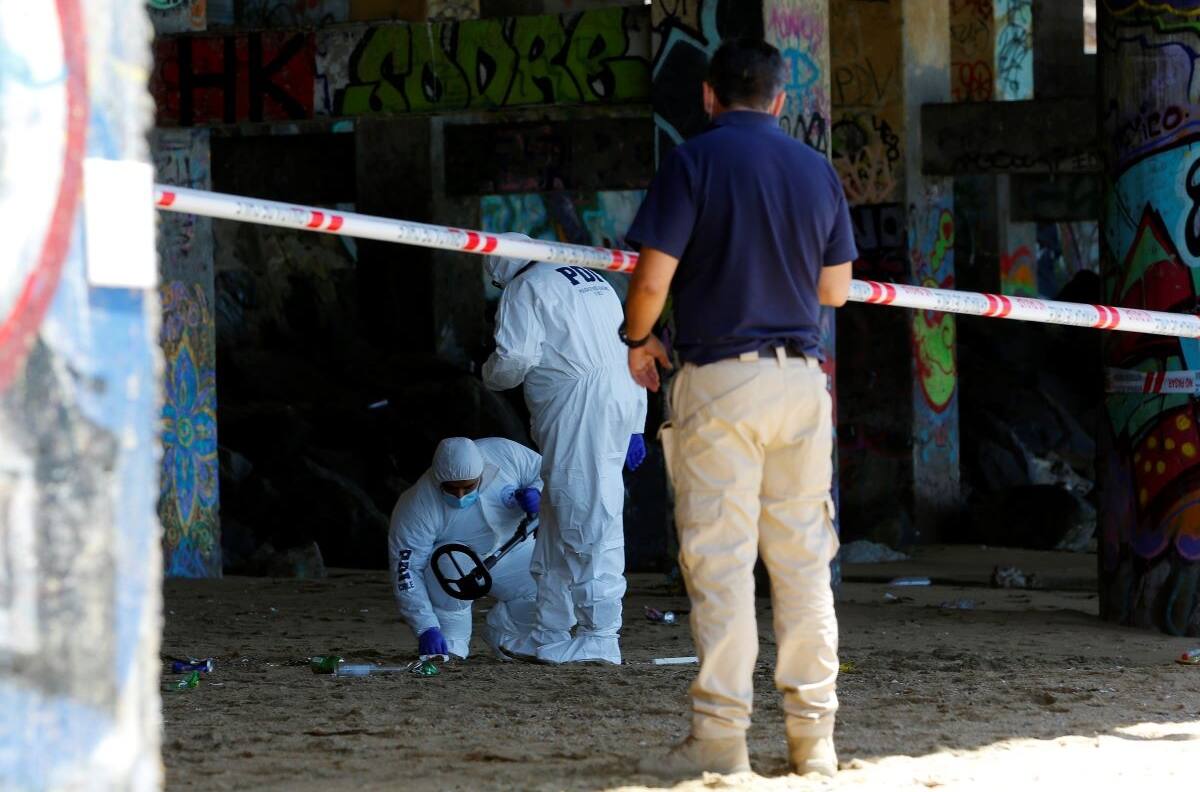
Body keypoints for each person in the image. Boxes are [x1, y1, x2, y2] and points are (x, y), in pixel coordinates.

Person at [621, 38, 856, 777]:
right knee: (803, 564)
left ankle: (720, 740)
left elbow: (653, 280)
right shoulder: (817, 171)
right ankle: (813, 741)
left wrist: (636, 338)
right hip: (800, 385)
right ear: (781, 101)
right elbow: (836, 291)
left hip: (720, 380)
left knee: (721, 565)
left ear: (708, 96)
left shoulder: (692, 162)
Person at [481, 235, 647, 665]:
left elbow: (513, 360)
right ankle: (549, 630)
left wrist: (486, 374)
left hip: (579, 408)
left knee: (591, 517)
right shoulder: (591, 277)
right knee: (557, 514)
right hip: (620, 396)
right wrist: (635, 423)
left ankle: (600, 634)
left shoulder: (525, 287)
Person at [388, 437, 543, 660]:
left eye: (468, 486)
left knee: (546, 578)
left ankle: (508, 634)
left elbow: (548, 471)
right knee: (447, 562)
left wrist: (539, 492)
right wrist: (425, 627)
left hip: (513, 548)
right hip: (457, 563)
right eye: (451, 489)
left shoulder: (504, 452)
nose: (460, 495)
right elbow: (406, 570)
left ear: (483, 473)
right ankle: (452, 641)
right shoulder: (416, 505)